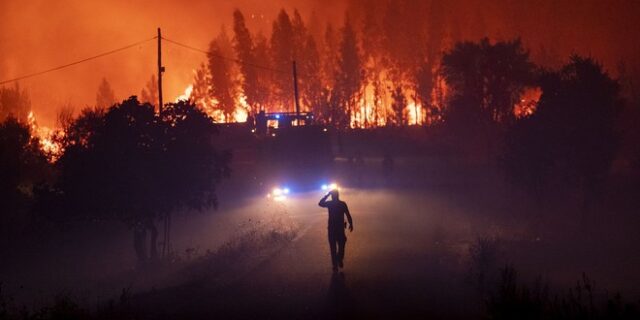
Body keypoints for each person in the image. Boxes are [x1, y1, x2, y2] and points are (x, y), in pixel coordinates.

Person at [318, 189, 354, 272]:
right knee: (341, 245)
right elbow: (348, 214)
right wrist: (351, 224)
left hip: (332, 228)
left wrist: (327, 195)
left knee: (333, 247)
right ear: (338, 195)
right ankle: (339, 259)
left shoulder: (330, 204)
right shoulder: (342, 204)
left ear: (332, 196)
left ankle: (335, 264)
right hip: (340, 228)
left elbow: (320, 203)